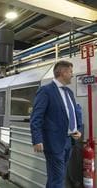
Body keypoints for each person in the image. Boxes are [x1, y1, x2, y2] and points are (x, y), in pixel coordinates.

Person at [30, 60, 83, 188]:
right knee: (58, 179)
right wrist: (37, 139)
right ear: (63, 73)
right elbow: (36, 117)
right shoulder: (46, 91)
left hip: (69, 141)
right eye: (70, 72)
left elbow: (74, 113)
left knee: (57, 177)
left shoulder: (69, 92)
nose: (72, 74)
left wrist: (78, 129)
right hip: (53, 142)